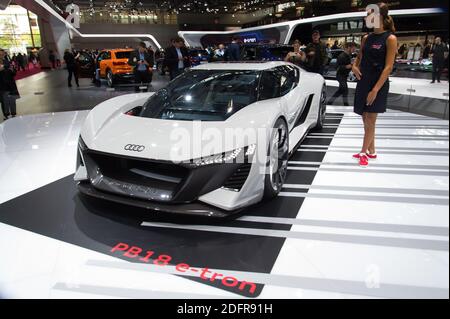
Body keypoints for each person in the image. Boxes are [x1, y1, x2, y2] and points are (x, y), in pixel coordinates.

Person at [352, 2, 397, 167]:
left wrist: (375, 89)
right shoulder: (366, 38)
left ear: (380, 17)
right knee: (366, 118)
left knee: (370, 118)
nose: (366, 17)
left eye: (369, 14)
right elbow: (359, 58)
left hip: (378, 84)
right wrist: (355, 67)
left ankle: (363, 152)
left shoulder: (390, 38)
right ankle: (372, 151)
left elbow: (388, 67)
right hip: (363, 81)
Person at [328, 42, 356, 106]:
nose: (354, 50)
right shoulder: (341, 56)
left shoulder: (349, 55)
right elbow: (337, 67)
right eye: (353, 48)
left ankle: (330, 102)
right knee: (345, 90)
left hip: (344, 75)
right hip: (340, 76)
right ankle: (346, 104)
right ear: (348, 48)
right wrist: (347, 66)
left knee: (341, 90)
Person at [0, 48, 20, 120]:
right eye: (0, 54)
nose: (1, 55)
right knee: (4, 101)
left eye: (2, 54)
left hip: (11, 84)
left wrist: (13, 70)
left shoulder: (7, 61)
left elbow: (13, 73)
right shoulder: (6, 63)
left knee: (12, 100)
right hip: (2, 85)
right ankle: (6, 115)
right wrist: (5, 67)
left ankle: (13, 114)